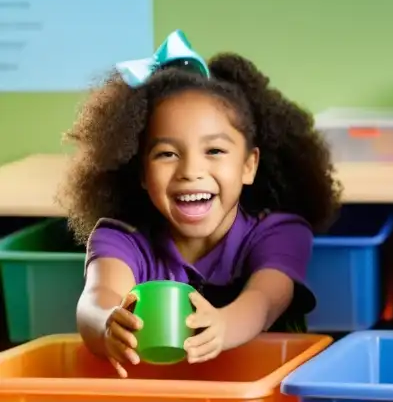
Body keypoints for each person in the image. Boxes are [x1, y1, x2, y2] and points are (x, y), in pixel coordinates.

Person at [62, 30, 340, 377]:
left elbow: (265, 300)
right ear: (141, 173)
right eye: (167, 154)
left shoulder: (281, 232)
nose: (191, 171)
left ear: (249, 165)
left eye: (214, 151)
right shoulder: (121, 240)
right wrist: (105, 324)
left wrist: (225, 324)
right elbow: (97, 297)